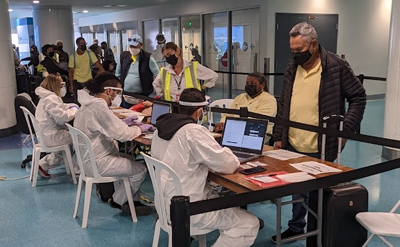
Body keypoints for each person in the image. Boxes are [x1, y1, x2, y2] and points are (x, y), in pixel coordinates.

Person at [271, 22, 366, 243]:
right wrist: (278, 136)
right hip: (293, 141)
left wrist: (346, 130)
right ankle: (296, 227)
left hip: (322, 143)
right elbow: (284, 102)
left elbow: (358, 97)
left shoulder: (336, 66)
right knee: (297, 190)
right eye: (292, 50)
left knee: (318, 194)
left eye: (300, 50)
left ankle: (318, 235)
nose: (295, 54)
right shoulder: (292, 68)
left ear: (313, 44)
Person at [151, 88, 261, 246]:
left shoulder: (160, 129)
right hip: (187, 208)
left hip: (164, 205)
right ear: (199, 112)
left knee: (222, 202)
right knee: (248, 223)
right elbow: (228, 164)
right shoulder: (193, 131)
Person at [73, 72, 153, 215]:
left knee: (130, 159)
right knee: (141, 170)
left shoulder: (87, 105)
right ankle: (118, 200)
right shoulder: (99, 107)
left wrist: (122, 123)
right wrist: (139, 128)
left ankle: (130, 200)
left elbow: (103, 127)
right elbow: (122, 135)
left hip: (87, 160)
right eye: (117, 92)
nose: (117, 97)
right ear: (109, 91)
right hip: (99, 162)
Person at [34, 74, 79, 177]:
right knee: (80, 138)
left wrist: (71, 106)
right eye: (61, 85)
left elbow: (58, 107)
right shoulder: (51, 98)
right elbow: (62, 118)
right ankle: (78, 168)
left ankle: (43, 165)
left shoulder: (46, 97)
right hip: (50, 136)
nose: (63, 87)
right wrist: (75, 110)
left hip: (46, 134)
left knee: (66, 147)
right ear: (55, 86)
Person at [215, 72, 277, 142]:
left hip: (256, 135)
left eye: (253, 83)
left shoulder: (269, 100)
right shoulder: (240, 97)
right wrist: (222, 124)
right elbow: (228, 114)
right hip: (234, 132)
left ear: (262, 85)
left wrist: (231, 126)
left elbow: (258, 121)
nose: (249, 85)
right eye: (247, 83)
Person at [153, 42, 218, 102]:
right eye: (165, 57)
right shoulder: (164, 71)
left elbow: (213, 76)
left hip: (191, 106)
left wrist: (202, 88)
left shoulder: (193, 67)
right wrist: (163, 93)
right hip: (173, 108)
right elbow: (156, 84)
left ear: (177, 51)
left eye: (169, 54)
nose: (168, 58)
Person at [116, 34, 159, 108]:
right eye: (131, 46)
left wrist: (153, 94)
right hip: (126, 97)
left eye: (135, 46)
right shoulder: (124, 57)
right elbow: (118, 74)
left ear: (141, 45)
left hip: (143, 98)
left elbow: (157, 75)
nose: (132, 48)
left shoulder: (148, 58)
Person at [68, 37, 104, 104]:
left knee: (89, 102)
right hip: (77, 82)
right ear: (77, 44)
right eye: (82, 44)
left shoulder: (90, 54)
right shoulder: (73, 57)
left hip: (89, 81)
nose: (84, 45)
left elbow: (98, 65)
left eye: (84, 43)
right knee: (78, 102)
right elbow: (70, 72)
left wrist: (104, 74)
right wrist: (71, 85)